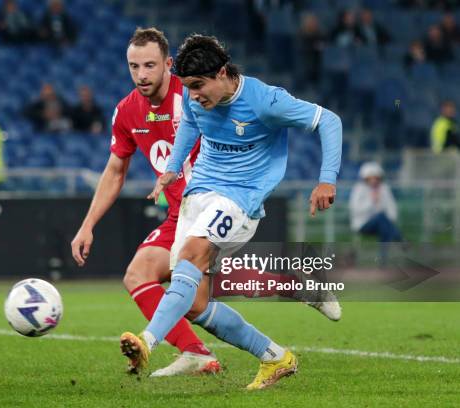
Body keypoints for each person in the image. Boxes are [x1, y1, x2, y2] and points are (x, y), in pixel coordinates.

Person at [119, 34, 342, 390]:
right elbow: (191, 125)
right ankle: (275, 357)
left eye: (198, 86)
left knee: (191, 257)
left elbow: (329, 121)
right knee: (193, 303)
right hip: (199, 195)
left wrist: (326, 180)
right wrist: (172, 169)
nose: (192, 96)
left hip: (240, 200)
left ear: (223, 73)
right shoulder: (195, 99)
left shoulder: (265, 101)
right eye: (188, 87)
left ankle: (147, 341)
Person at [71, 28, 220, 377]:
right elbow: (114, 171)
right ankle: (196, 352)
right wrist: (87, 225)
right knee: (142, 277)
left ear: (169, 64)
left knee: (195, 304)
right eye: (134, 66)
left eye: (150, 65)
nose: (141, 74)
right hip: (179, 217)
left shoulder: (195, 95)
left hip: (214, 210)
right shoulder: (126, 112)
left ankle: (295, 286)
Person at [350, 162, 401, 243]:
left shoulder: (384, 189)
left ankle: (385, 253)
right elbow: (355, 209)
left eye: (376, 178)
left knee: (384, 226)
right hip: (363, 224)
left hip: (383, 223)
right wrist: (371, 201)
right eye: (371, 178)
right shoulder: (359, 189)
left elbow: (391, 207)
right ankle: (400, 239)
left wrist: (389, 220)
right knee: (381, 219)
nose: (374, 181)